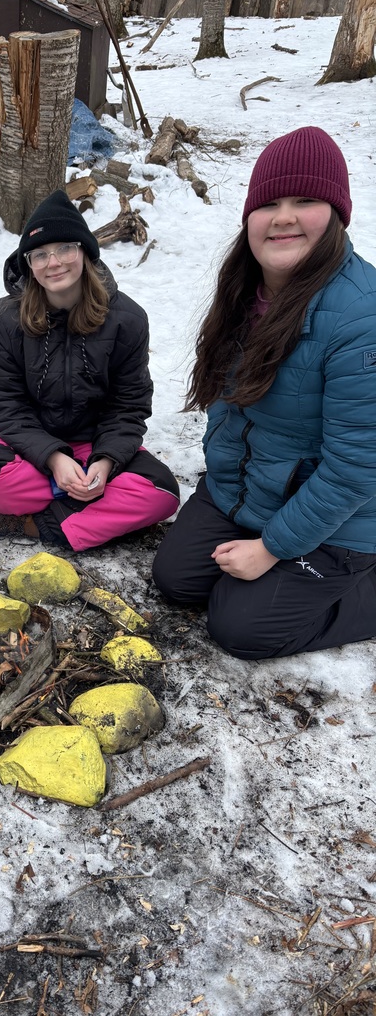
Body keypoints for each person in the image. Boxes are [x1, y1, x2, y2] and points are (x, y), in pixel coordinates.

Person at [152, 126, 376, 659]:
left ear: (338, 214)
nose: (283, 217)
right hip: (251, 490)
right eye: (269, 203)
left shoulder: (360, 316)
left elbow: (355, 468)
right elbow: (229, 413)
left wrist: (273, 547)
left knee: (242, 628)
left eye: (306, 201)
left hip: (341, 516)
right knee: (177, 580)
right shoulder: (243, 291)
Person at [0, 189, 179, 551]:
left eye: (65, 249)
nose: (53, 263)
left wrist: (105, 462)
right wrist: (54, 459)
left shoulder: (128, 319)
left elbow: (129, 405)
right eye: (39, 254)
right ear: (29, 265)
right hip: (25, 448)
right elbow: (3, 404)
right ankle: (84, 514)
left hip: (93, 446)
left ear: (85, 252)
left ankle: (26, 525)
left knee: (162, 493)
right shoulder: (6, 317)